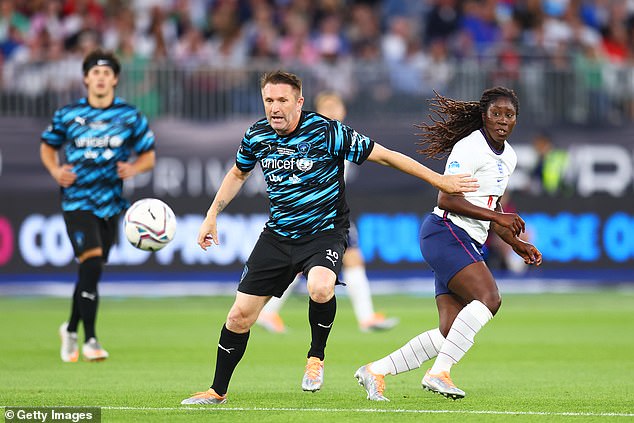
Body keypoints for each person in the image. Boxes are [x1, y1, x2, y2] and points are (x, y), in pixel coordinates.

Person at [181, 70, 478, 405]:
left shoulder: (327, 131)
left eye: (282, 100)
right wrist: (211, 215)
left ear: (299, 102)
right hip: (278, 235)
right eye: (269, 100)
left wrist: (439, 180)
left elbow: (386, 155)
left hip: (325, 232)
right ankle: (217, 391)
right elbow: (238, 172)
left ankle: (315, 358)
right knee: (238, 317)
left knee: (320, 286)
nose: (275, 108)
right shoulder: (257, 135)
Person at [354, 87, 542, 401]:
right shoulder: (470, 147)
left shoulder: (509, 157)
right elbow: (448, 198)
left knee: (450, 331)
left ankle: (376, 370)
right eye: (496, 113)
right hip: (445, 231)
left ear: (516, 120)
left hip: (463, 239)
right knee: (489, 298)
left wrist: (515, 242)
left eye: (509, 115)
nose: (503, 120)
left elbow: (491, 206)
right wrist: (501, 218)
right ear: (484, 116)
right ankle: (439, 373)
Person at [41, 49, 156, 362]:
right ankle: (90, 339)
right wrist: (55, 171)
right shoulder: (68, 115)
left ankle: (71, 328)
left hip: (111, 203)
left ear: (115, 79)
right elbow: (48, 147)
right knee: (90, 261)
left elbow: (148, 155)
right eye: (95, 73)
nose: (101, 78)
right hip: (77, 200)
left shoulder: (130, 116)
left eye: (107, 73)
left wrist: (135, 168)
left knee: (91, 270)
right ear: (86, 78)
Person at [256, 91, 399, 334]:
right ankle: (365, 318)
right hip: (315, 215)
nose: (332, 111)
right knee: (316, 263)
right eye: (327, 106)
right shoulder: (317, 136)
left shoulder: (341, 136)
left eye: (336, 106)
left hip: (329, 212)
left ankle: (269, 313)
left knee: (340, 260)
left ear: (344, 110)